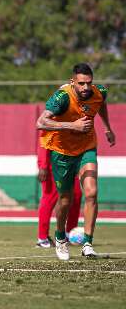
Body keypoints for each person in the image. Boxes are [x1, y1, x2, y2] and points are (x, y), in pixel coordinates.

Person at [36, 63, 115, 260]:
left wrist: (107, 127)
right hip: (62, 152)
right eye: (81, 84)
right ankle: (60, 237)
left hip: (87, 147)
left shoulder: (99, 92)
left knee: (92, 192)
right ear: (73, 82)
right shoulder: (61, 97)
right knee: (65, 199)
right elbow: (40, 122)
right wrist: (72, 125)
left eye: (89, 83)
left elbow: (101, 104)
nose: (86, 88)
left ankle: (87, 243)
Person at [36, 144, 82, 248]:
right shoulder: (50, 126)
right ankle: (42, 239)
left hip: (71, 162)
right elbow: (44, 142)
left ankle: (69, 235)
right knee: (49, 198)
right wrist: (43, 166)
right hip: (53, 163)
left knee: (76, 195)